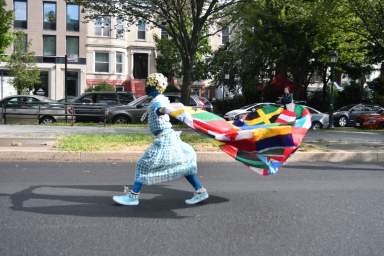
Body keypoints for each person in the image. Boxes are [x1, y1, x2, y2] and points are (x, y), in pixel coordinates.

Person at [112, 73, 209, 206]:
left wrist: (170, 111)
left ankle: (133, 197)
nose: (147, 87)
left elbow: (161, 109)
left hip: (164, 139)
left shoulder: (158, 101)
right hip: (168, 137)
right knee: (184, 164)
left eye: (149, 85)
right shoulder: (159, 98)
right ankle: (200, 191)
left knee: (143, 164)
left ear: (154, 87)